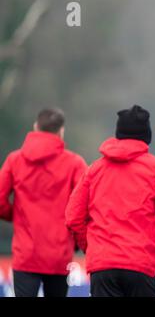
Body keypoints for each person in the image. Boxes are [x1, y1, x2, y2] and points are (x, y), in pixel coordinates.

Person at [65, 105, 155, 297]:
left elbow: (73, 217)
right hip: (142, 265)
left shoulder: (93, 171)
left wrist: (92, 248)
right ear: (147, 135)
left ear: (118, 134)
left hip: (102, 267)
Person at [0, 108, 87, 297]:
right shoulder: (74, 163)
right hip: (59, 253)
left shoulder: (14, 160)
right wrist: (78, 239)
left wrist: (15, 214)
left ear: (35, 127)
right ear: (61, 131)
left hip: (25, 253)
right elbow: (85, 205)